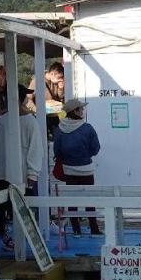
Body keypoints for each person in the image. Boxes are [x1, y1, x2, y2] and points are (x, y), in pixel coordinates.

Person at [0, 91, 44, 244]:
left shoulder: (3, 120)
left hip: (3, 172)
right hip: (20, 174)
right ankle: (23, 239)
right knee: (21, 208)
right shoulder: (29, 121)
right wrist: (33, 174)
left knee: (5, 207)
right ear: (24, 100)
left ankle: (11, 237)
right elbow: (36, 149)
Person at [52, 99, 103, 236]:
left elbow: (57, 151)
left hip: (68, 170)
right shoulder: (87, 128)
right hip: (86, 169)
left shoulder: (60, 129)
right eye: (81, 108)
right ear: (75, 111)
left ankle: (76, 230)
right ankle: (94, 229)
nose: (83, 110)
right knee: (89, 200)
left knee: (72, 200)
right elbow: (95, 149)